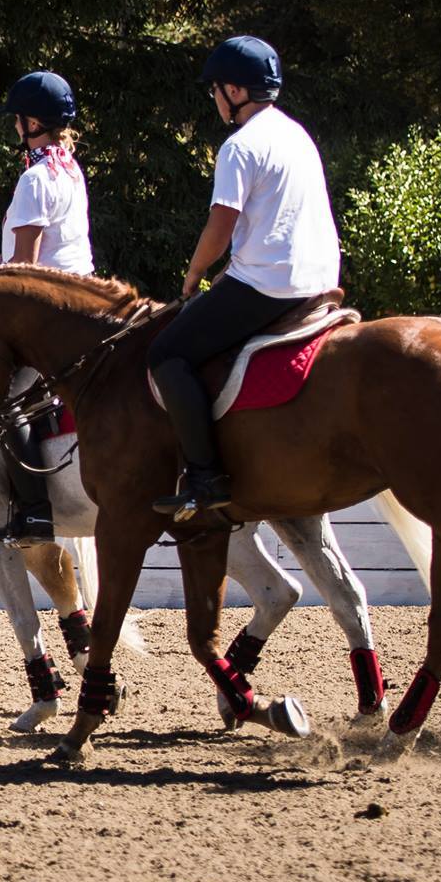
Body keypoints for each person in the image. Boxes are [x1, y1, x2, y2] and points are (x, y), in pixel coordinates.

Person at [150, 36, 341, 522]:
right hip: (319, 280)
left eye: (216, 90)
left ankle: (206, 476)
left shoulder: (240, 146)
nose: (214, 99)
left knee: (167, 354)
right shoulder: (297, 134)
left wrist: (194, 274)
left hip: (267, 284)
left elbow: (222, 223)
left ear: (235, 90)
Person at [0, 72, 94, 544]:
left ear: (31, 122)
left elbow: (23, 268)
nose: (14, 127)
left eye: (17, 120)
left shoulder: (34, 179)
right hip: (81, 301)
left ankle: (34, 512)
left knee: (3, 401)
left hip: (46, 310)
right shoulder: (68, 168)